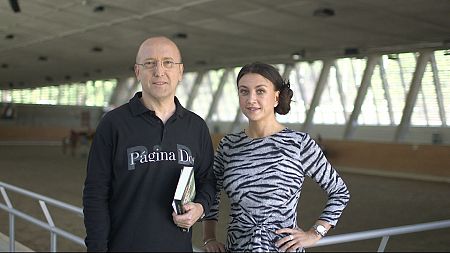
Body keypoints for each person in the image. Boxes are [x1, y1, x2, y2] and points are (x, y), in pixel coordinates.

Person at [83, 36, 216, 252]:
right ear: (137, 71)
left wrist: (200, 208)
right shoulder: (114, 124)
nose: (159, 71)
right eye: (150, 63)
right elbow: (95, 194)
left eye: (168, 63)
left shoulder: (196, 127)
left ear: (180, 72)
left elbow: (207, 180)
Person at [202, 62, 350, 252]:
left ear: (276, 97)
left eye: (260, 91)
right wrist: (209, 238)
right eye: (244, 91)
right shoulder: (228, 146)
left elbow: (339, 192)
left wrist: (315, 233)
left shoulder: (299, 143)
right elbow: (211, 195)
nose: (251, 99)